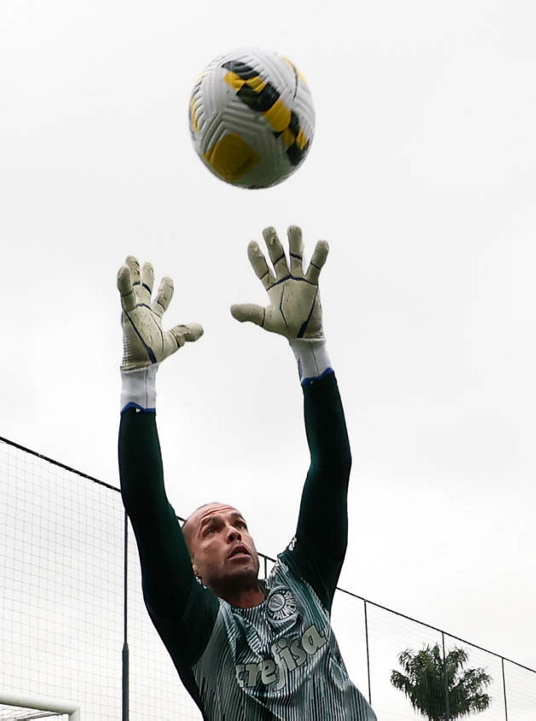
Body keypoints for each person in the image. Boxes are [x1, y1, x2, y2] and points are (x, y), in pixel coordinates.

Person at [117, 226, 376, 719]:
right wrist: (139, 380)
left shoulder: (303, 583)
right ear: (191, 567)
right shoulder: (199, 628)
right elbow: (147, 506)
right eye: (211, 530)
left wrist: (311, 347)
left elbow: (332, 467)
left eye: (238, 523)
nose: (233, 532)